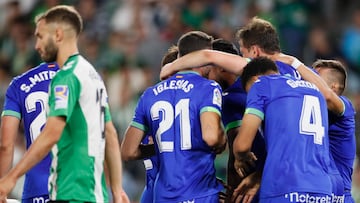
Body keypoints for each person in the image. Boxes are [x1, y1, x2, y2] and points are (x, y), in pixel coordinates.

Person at [0, 5, 129, 203]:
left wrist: (11, 177)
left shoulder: (66, 77)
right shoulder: (92, 75)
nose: (36, 45)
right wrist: (117, 189)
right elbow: (110, 134)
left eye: (40, 36)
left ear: (58, 35)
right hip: (93, 192)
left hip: (69, 190)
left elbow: (51, 132)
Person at [121, 31, 227, 203]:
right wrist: (223, 140)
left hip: (160, 195)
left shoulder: (150, 94)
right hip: (198, 193)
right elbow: (212, 137)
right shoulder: (207, 87)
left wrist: (163, 145)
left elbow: (128, 152)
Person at [233, 57, 333, 202]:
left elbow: (242, 146)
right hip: (321, 188)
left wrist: (240, 157)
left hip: (283, 186)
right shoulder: (315, 91)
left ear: (255, 79)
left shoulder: (261, 84)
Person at [275, 55, 356, 203]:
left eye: (316, 77)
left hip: (339, 197)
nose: (308, 81)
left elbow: (327, 97)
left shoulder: (345, 107)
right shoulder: (304, 111)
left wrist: (294, 62)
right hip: (312, 193)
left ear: (334, 88)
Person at [210, 38, 265, 203]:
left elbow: (237, 146)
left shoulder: (230, 98)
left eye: (207, 68)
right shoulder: (258, 88)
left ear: (221, 66)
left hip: (253, 187)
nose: (205, 75)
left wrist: (231, 196)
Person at [159, 16, 300, 81]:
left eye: (243, 53)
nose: (241, 58)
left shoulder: (256, 68)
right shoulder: (299, 71)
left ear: (255, 51)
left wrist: (171, 66)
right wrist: (296, 62)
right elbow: (323, 91)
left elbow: (208, 56)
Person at [0, 62, 59, 203]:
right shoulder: (81, 78)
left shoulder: (19, 84)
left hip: (35, 189)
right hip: (73, 186)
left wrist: (2, 187)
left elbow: (6, 145)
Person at [139, 45, 179, 203]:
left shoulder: (149, 101)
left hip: (150, 190)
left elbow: (129, 150)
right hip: (176, 192)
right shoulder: (186, 108)